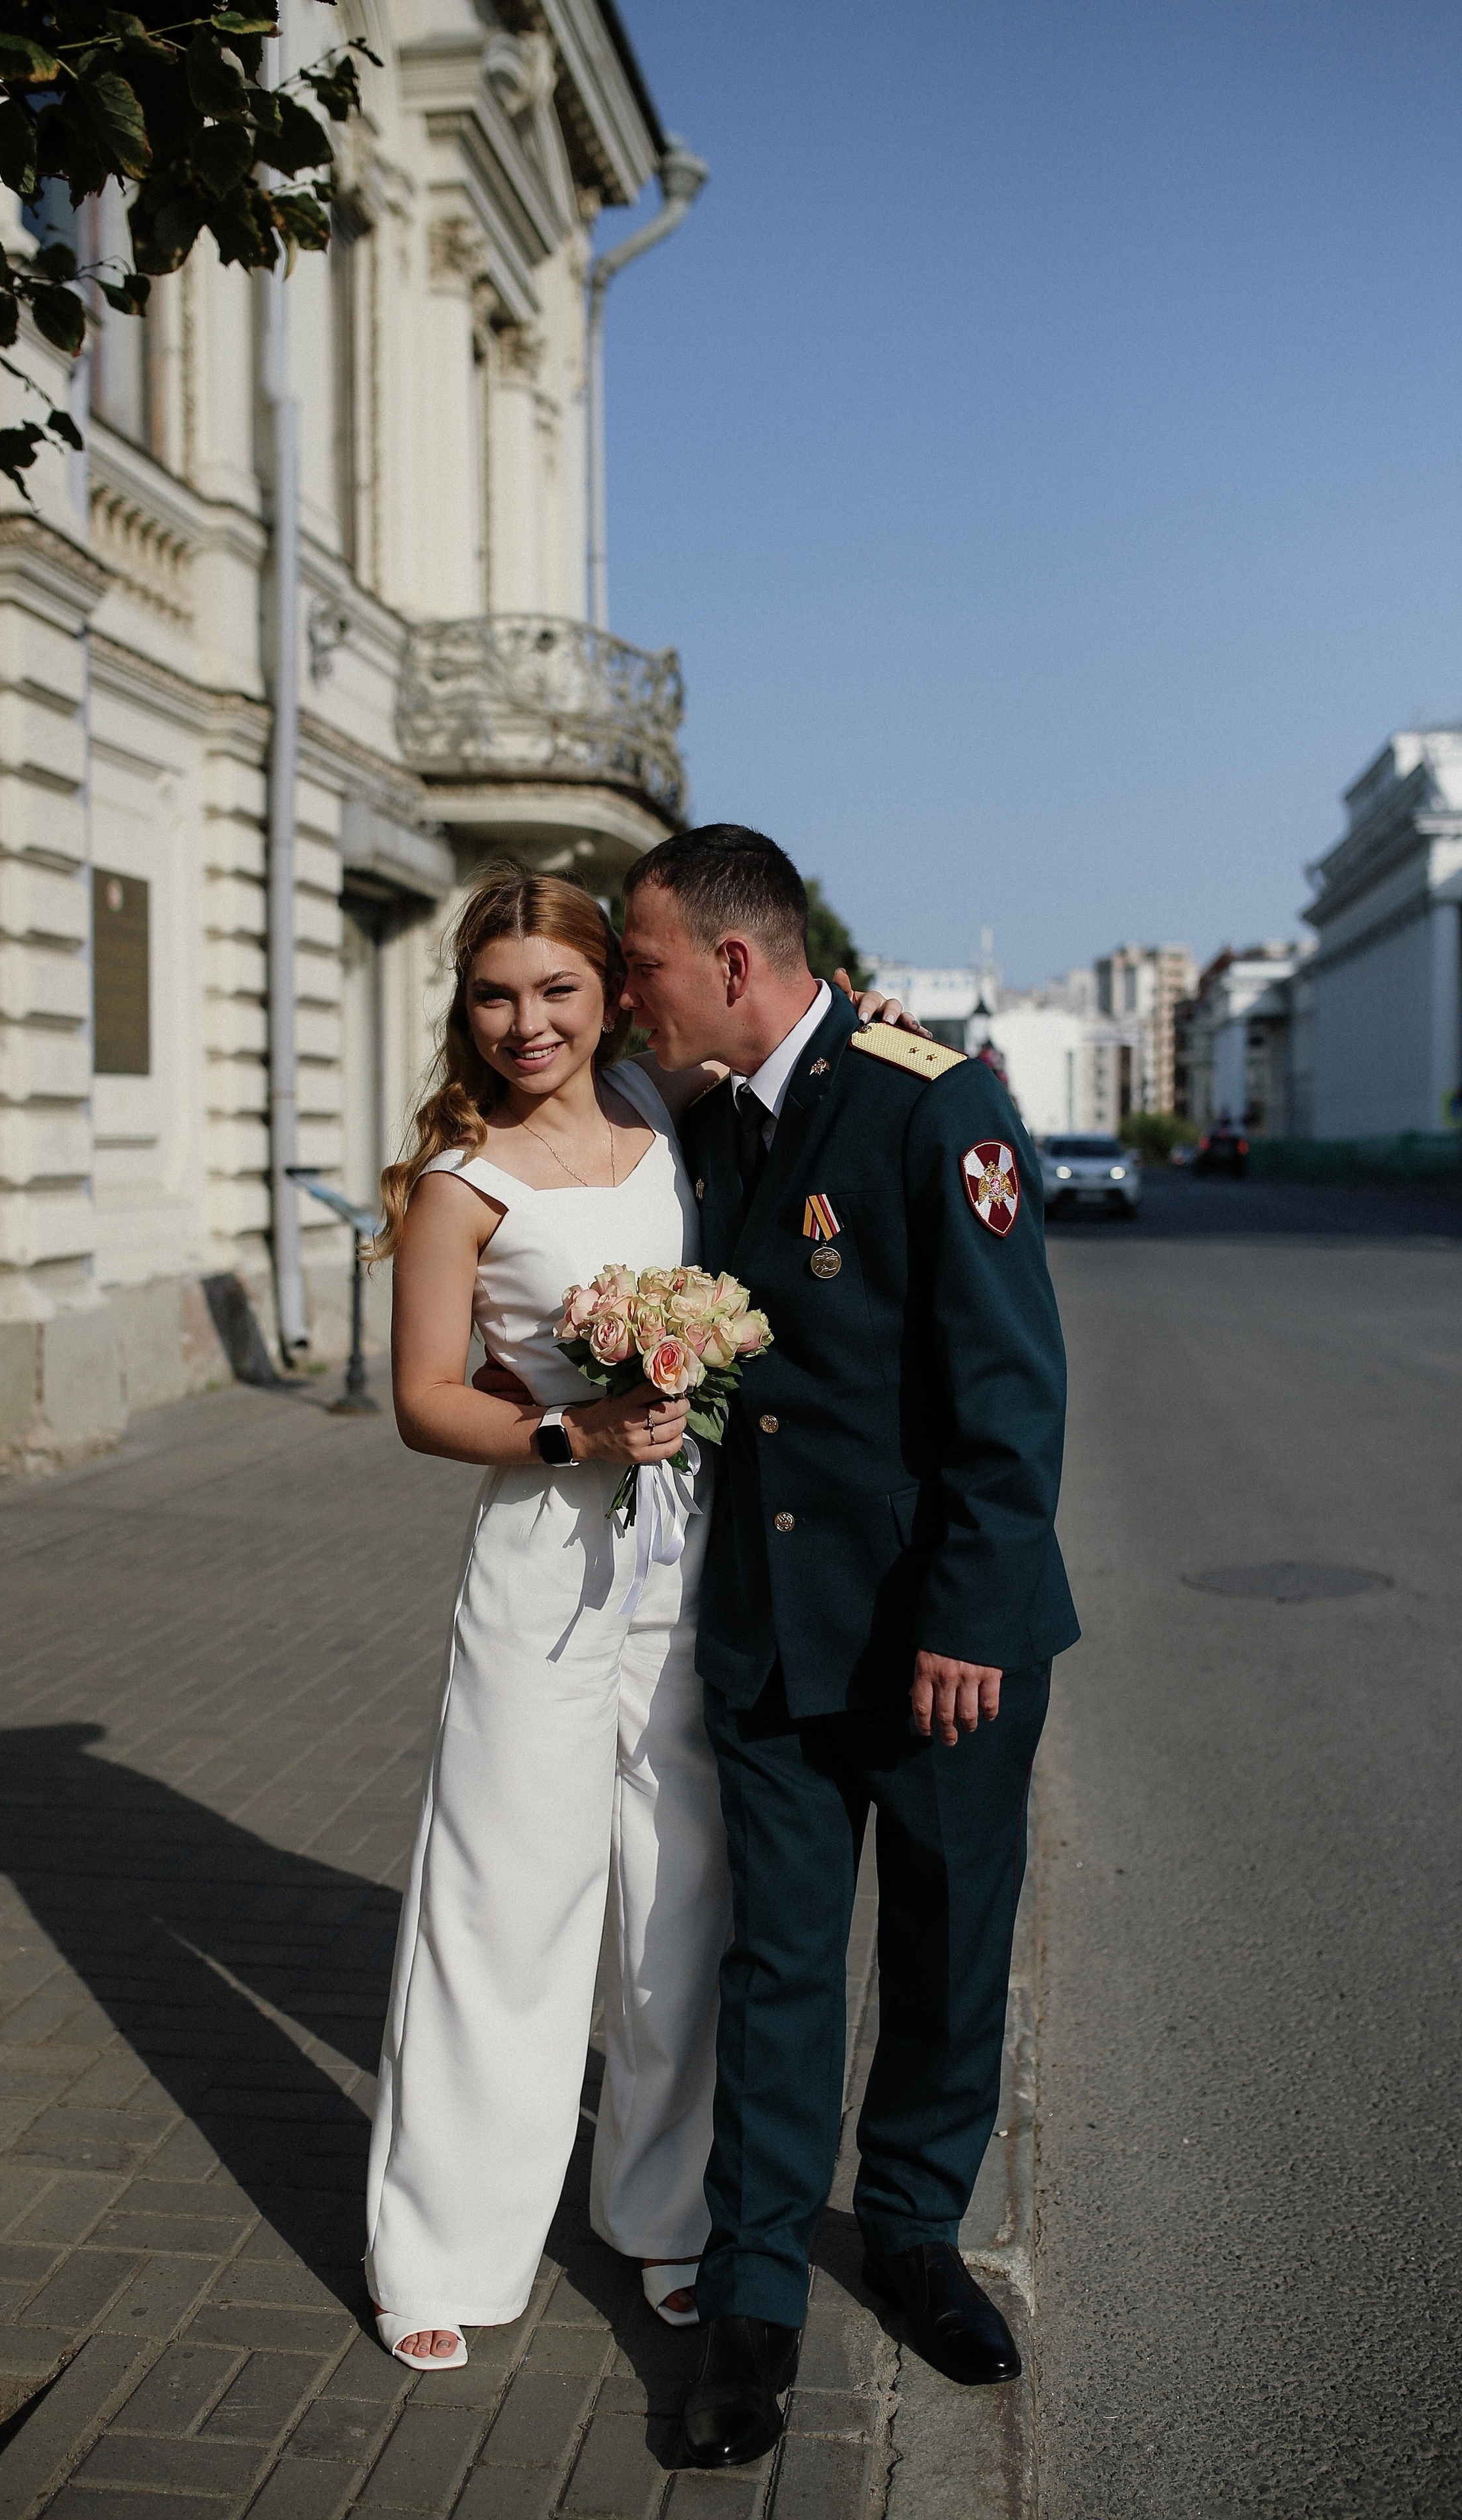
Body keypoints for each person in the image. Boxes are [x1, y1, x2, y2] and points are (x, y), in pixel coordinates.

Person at [362, 860, 922, 2372]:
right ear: (465, 1010)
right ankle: (442, 2248)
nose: (524, 1023)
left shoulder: (664, 1108)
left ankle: (663, 2219)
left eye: (555, 990)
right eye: (493, 995)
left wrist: (859, 1016)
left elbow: (791, 1059)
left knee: (683, 1905)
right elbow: (419, 1403)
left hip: (696, 1558)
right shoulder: (455, 1184)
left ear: (610, 989)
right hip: (543, 1560)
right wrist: (568, 1434)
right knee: (504, 1908)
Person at [617, 826, 1079, 2468]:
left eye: (644, 965)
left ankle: (907, 2232)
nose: (625, 996)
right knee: (780, 1962)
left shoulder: (929, 1099)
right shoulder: (695, 1112)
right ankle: (750, 2299)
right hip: (768, 1626)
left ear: (733, 965)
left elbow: (1009, 1384)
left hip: (934, 1634)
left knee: (949, 1949)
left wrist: (965, 1611)